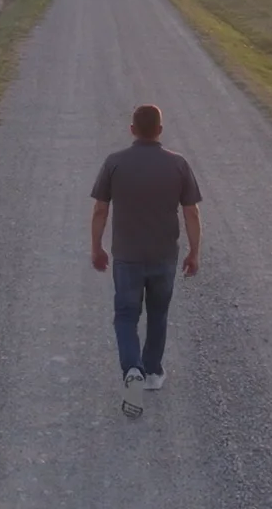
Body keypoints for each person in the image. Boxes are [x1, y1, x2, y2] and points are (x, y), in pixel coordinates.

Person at [90, 104, 203, 392]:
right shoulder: (178, 164)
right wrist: (194, 251)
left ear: (132, 130)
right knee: (158, 312)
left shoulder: (114, 163)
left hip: (127, 256)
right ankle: (152, 372)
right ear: (160, 130)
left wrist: (97, 247)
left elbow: (100, 210)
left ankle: (132, 368)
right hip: (163, 255)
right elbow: (191, 212)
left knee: (126, 315)